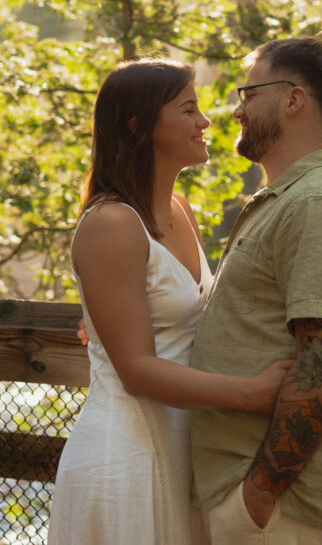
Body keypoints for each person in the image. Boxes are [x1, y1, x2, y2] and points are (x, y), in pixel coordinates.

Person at [47, 58, 292, 545]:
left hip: (189, 455)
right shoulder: (111, 224)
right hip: (127, 461)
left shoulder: (182, 211)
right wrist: (253, 392)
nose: (205, 122)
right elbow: (136, 369)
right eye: (188, 109)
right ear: (140, 127)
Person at [190, 36, 322, 544]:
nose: (236, 111)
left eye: (249, 95)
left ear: (294, 99)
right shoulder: (285, 200)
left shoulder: (319, 205)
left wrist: (258, 495)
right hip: (258, 506)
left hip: (282, 511)